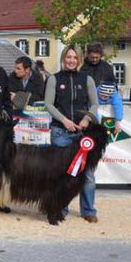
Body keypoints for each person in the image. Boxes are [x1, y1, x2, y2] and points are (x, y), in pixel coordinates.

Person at [44, 45, 99, 223]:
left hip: (83, 135)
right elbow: (48, 104)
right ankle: (60, 208)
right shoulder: (54, 79)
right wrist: (64, 120)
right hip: (60, 133)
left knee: (88, 175)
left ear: (80, 60)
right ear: (63, 58)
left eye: (75, 58)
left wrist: (87, 119)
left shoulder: (87, 79)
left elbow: (94, 104)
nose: (71, 60)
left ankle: (89, 210)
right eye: (68, 57)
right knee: (60, 174)